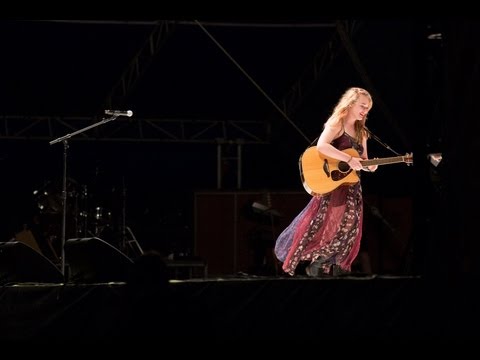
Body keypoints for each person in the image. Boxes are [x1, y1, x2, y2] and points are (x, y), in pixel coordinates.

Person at [274, 87, 378, 276]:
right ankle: (319, 261)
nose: (365, 111)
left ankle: (335, 264)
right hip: (334, 183)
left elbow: (362, 159)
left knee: (351, 224)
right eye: (362, 106)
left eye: (368, 109)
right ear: (351, 103)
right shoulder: (336, 123)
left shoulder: (361, 131)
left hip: (352, 185)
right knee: (329, 222)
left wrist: (370, 166)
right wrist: (348, 160)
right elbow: (322, 146)